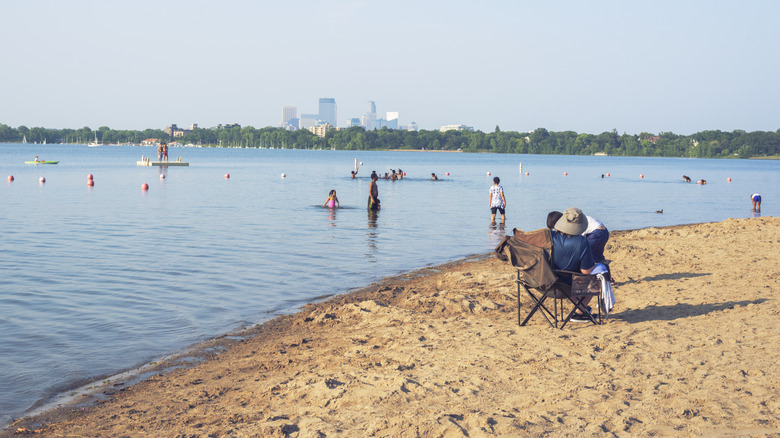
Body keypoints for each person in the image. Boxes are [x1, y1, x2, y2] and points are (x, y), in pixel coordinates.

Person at [551, 207, 596, 322]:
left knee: (569, 276)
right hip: (567, 287)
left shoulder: (549, 236)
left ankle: (579, 308)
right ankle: (579, 311)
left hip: (547, 283)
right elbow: (586, 272)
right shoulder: (582, 241)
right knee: (595, 280)